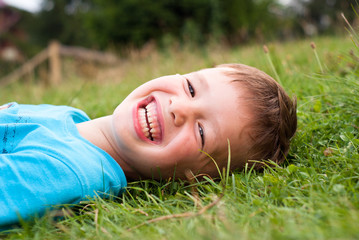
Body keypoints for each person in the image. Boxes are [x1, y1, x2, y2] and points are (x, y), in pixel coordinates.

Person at [0, 63, 297, 228]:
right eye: (192, 88)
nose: (179, 109)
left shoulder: (69, 172)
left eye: (202, 132)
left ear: (195, 179)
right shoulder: (70, 118)